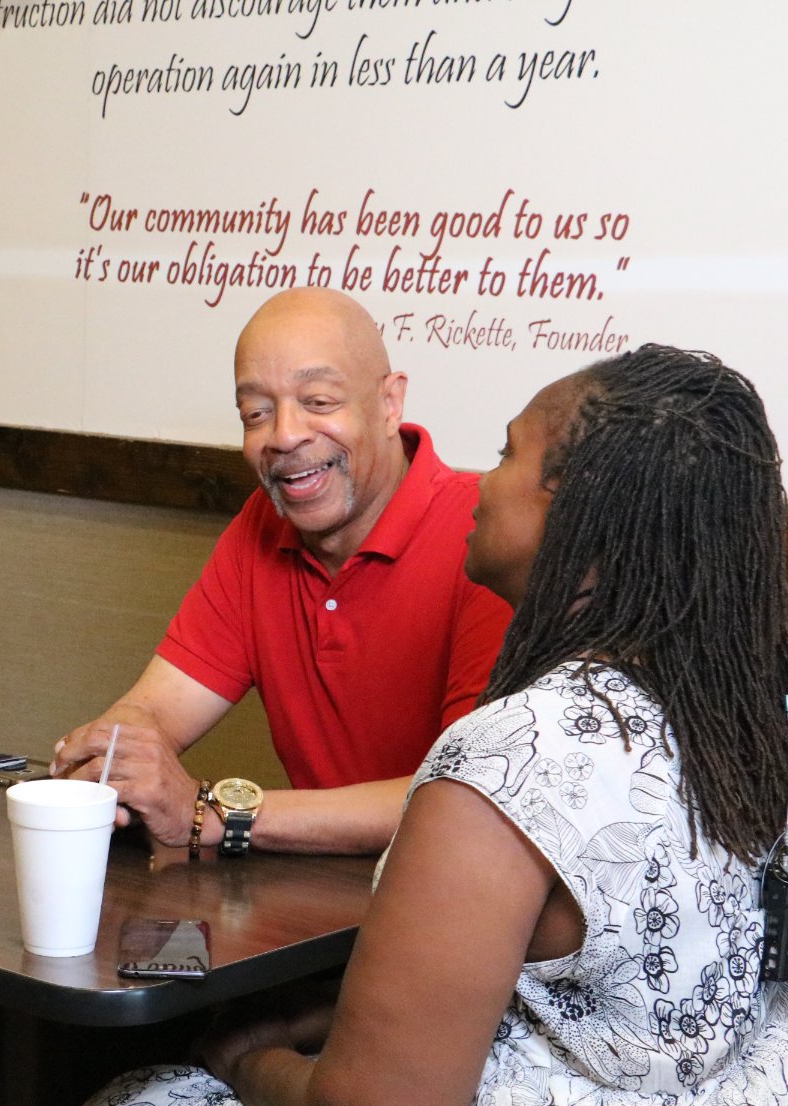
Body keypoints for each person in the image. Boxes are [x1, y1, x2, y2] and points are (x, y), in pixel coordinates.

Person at [43, 344, 788, 1106]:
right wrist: (316, 1017)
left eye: (508, 455)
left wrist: (252, 1061)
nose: (483, 481)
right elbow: (557, 987)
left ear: (576, 510)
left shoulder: (510, 760)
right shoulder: (728, 717)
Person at [52, 287, 511, 856]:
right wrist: (110, 759)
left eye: (318, 402)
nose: (285, 436)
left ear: (390, 404)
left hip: (454, 900)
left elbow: (472, 797)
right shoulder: (261, 528)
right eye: (256, 414)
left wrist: (216, 811)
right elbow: (154, 712)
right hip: (317, 907)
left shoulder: (489, 539)